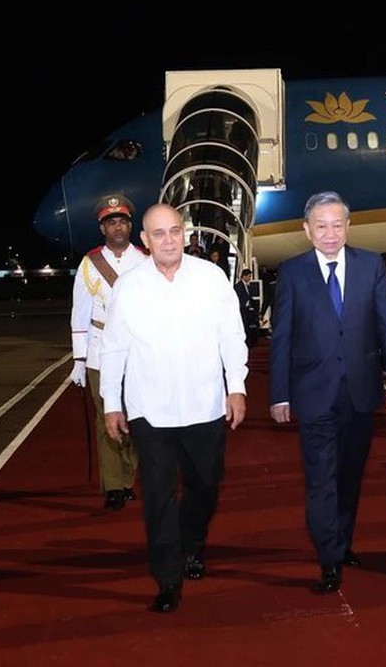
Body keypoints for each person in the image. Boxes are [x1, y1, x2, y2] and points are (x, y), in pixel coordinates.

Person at [101, 203, 248, 613]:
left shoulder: (211, 278)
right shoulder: (129, 287)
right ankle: (168, 578)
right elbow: (114, 348)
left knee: (205, 485)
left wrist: (236, 388)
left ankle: (193, 543)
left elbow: (231, 337)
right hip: (151, 410)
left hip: (205, 406)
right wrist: (112, 403)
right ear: (145, 241)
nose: (168, 240)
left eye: (174, 231)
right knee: (158, 496)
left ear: (184, 233)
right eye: (158, 234)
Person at [269, 190, 386, 594]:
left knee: (350, 475)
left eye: (337, 224)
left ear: (348, 227)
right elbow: (282, 337)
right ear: (306, 230)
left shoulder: (370, 266)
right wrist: (279, 394)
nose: (330, 233)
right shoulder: (293, 272)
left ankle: (342, 541)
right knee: (321, 478)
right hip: (312, 394)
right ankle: (329, 557)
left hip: (362, 393)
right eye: (321, 226)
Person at [69, 194, 147, 510]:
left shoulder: (145, 260)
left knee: (138, 420)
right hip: (101, 352)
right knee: (106, 420)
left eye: (122, 221)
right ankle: (113, 486)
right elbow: (80, 312)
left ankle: (127, 476)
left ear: (130, 225)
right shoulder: (90, 264)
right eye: (111, 222)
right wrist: (79, 358)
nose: (117, 227)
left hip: (136, 353)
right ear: (103, 228)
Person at [234, 268, 260, 346]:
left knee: (248, 326)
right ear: (244, 276)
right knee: (245, 326)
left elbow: (249, 297)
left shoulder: (247, 286)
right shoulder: (238, 286)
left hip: (247, 310)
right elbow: (240, 298)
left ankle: (250, 342)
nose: (250, 278)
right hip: (242, 309)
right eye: (249, 276)